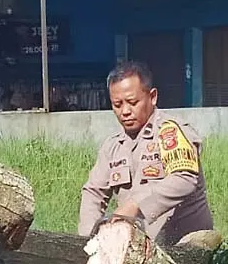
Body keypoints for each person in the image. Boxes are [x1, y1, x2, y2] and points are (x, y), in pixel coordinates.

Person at [78, 61, 213, 246]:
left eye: (133, 102)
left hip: (185, 247)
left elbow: (184, 178)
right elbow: (94, 193)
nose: (125, 111)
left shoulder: (171, 132)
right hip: (138, 249)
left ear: (153, 97)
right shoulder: (113, 146)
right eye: (117, 104)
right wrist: (89, 240)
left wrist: (135, 206)